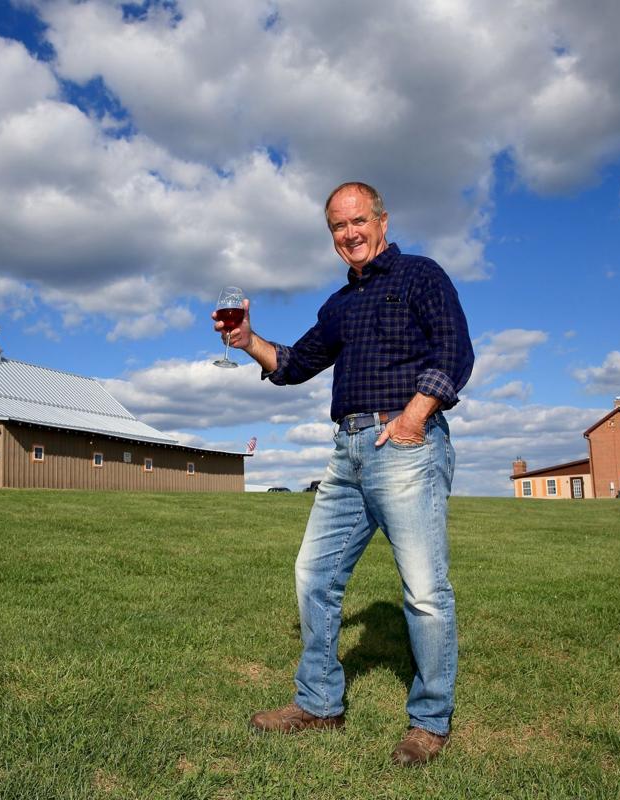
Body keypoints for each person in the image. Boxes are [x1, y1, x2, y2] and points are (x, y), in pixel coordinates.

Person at [213, 181, 474, 766]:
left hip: (404, 444)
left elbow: (455, 350)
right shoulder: (340, 305)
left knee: (425, 593)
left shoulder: (422, 276)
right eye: (337, 227)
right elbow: (296, 363)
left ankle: (430, 721)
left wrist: (414, 415)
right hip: (346, 452)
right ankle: (319, 704)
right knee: (313, 575)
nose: (349, 234)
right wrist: (247, 339)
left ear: (381, 219)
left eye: (358, 221)